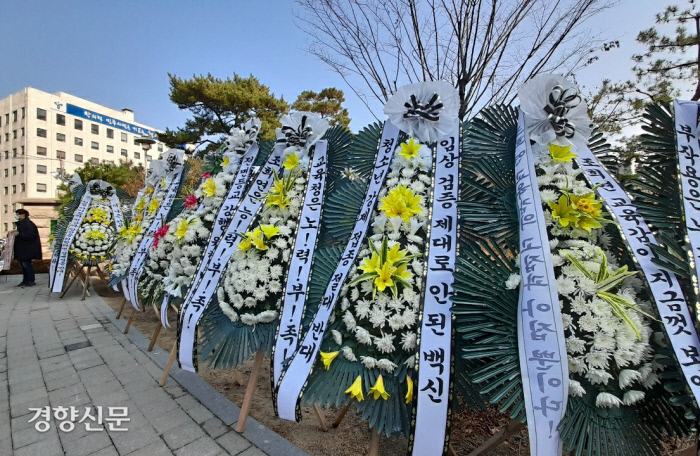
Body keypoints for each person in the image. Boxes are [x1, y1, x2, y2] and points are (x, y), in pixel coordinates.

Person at [12, 209, 42, 287]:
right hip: (22, 248)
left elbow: (31, 235)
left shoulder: (28, 224)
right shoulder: (21, 224)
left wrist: (19, 234)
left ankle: (31, 280)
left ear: (23, 215)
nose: (17, 216)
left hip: (27, 249)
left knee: (27, 265)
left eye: (18, 214)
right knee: (23, 265)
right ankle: (25, 280)